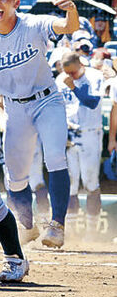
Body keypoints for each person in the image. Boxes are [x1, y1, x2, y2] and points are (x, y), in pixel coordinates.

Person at [0, 0, 79, 250]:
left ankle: (57, 225)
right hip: (14, 108)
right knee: (15, 176)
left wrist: (71, 11)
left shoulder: (32, 24)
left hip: (46, 100)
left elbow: (68, 27)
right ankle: (27, 226)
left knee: (56, 156)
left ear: (16, 3)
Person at [56, 51, 106, 241]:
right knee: (70, 185)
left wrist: (75, 87)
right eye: (67, 73)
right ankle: (73, 230)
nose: (70, 76)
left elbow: (92, 102)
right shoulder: (61, 79)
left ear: (80, 65)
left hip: (90, 133)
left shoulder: (94, 76)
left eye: (73, 73)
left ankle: (92, 232)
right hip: (69, 136)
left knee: (91, 183)